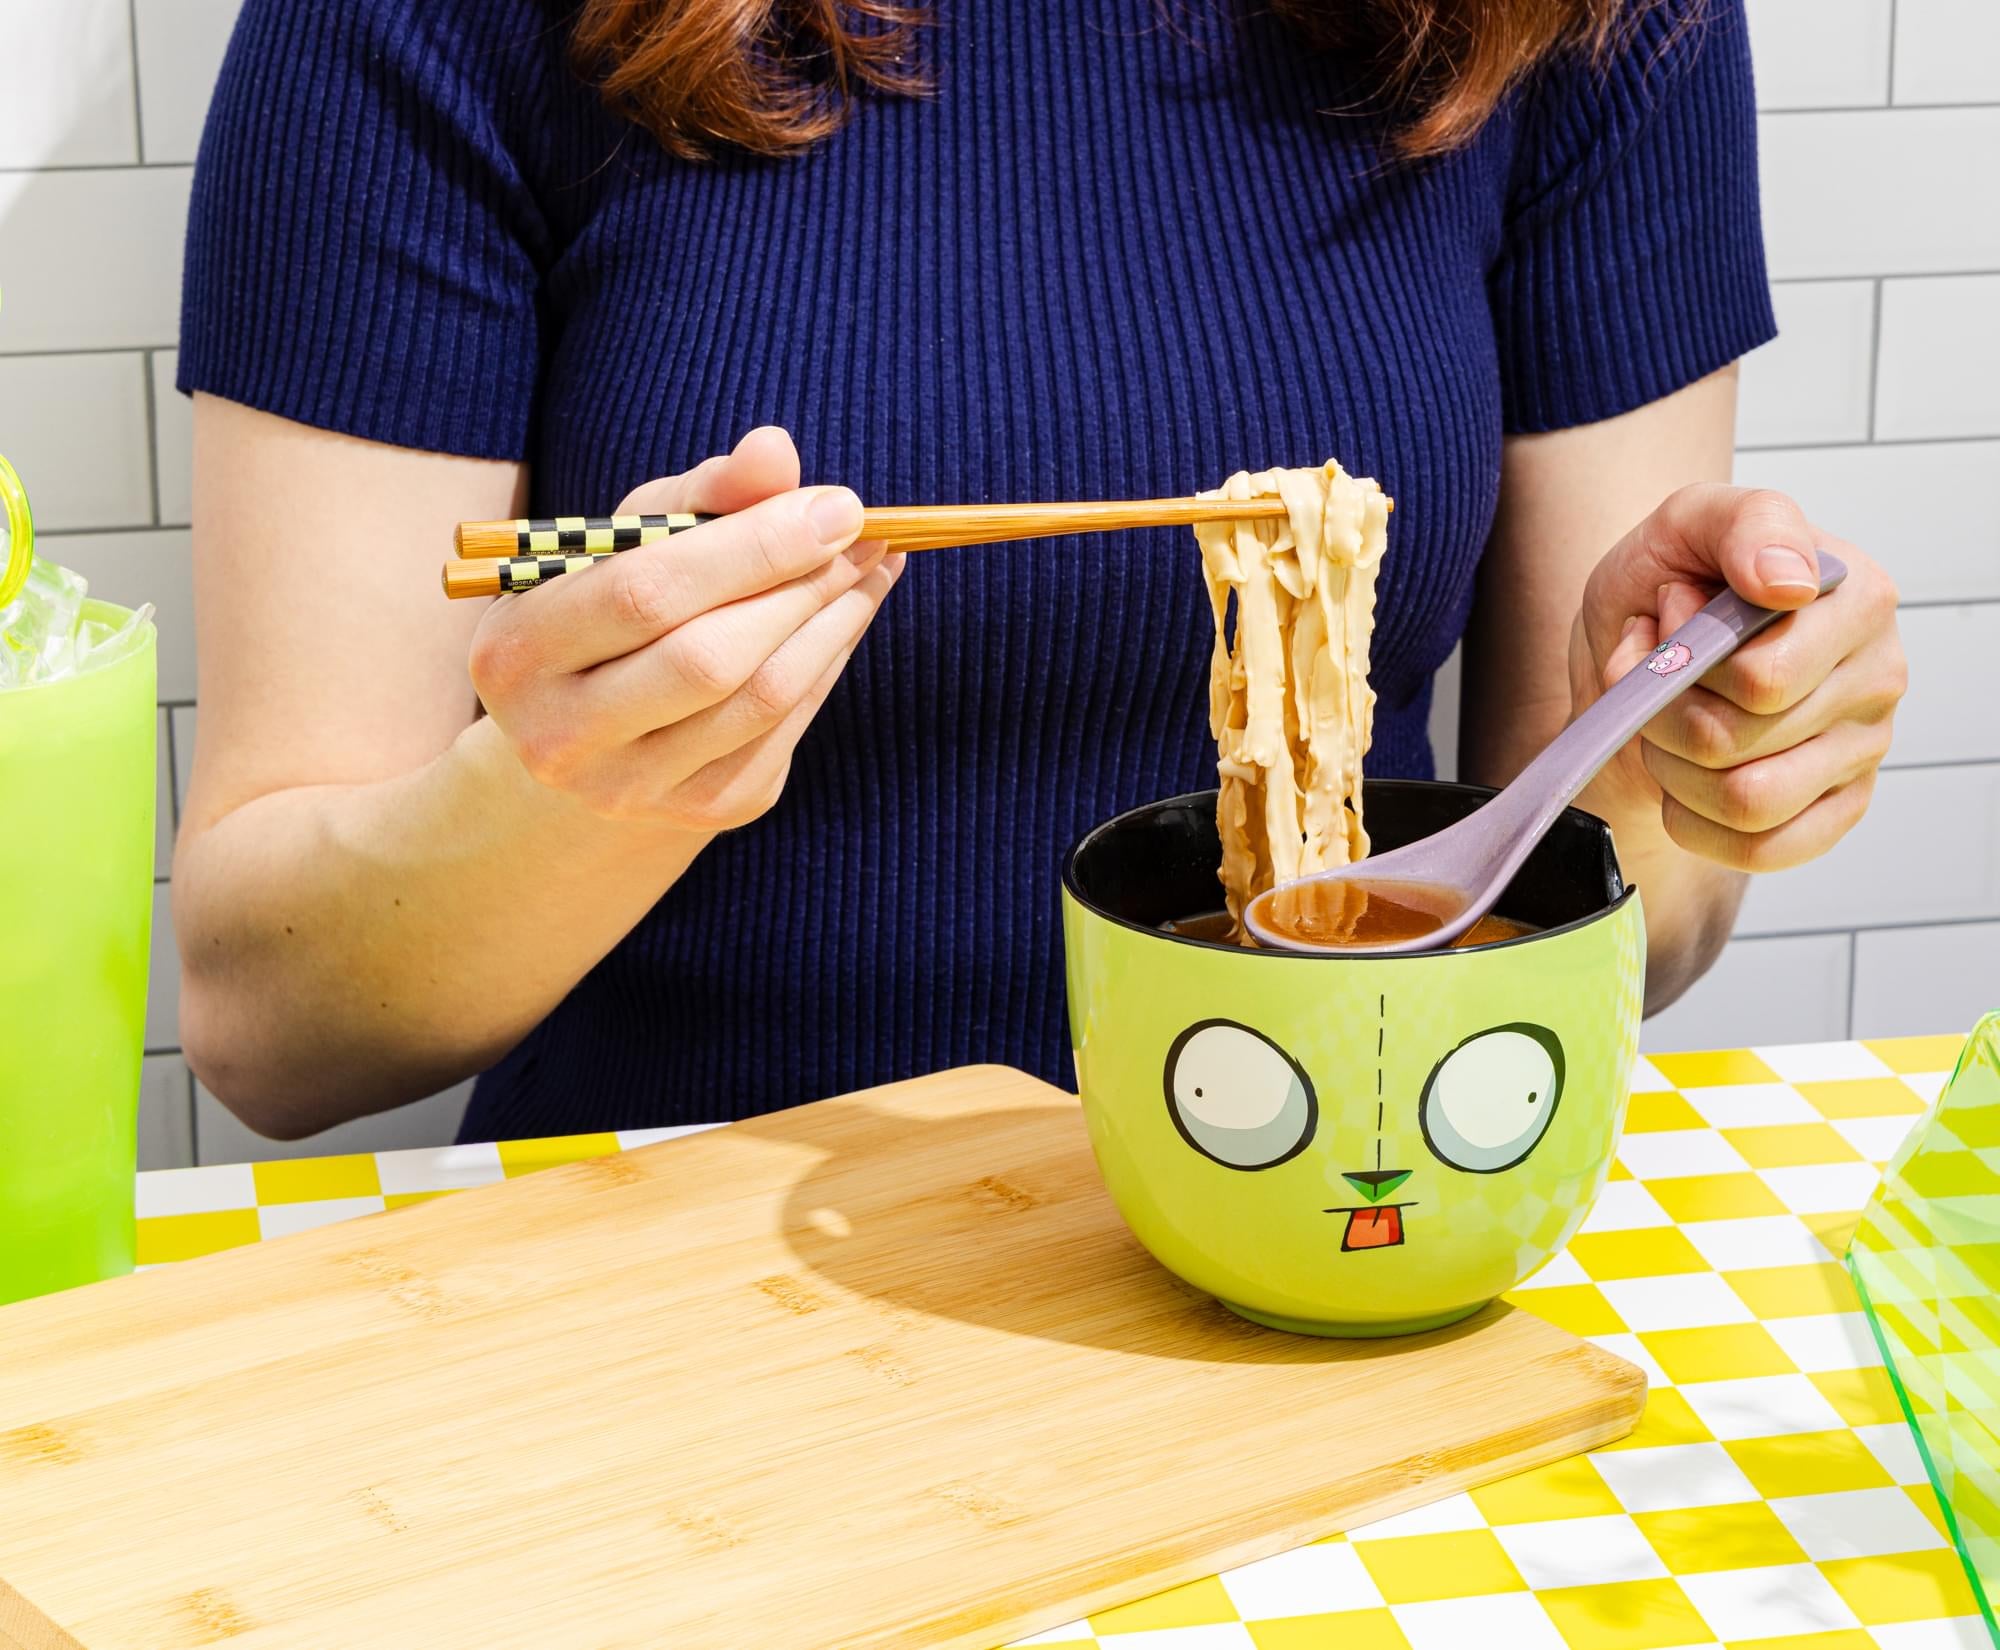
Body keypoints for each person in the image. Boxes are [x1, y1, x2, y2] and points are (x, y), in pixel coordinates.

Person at [172, 0, 1906, 1143]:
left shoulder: (1579, 21)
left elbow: (1614, 916)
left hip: (1331, 1235)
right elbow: (276, 1017)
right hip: (664, 1313)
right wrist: (581, 791)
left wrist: (1695, 751)